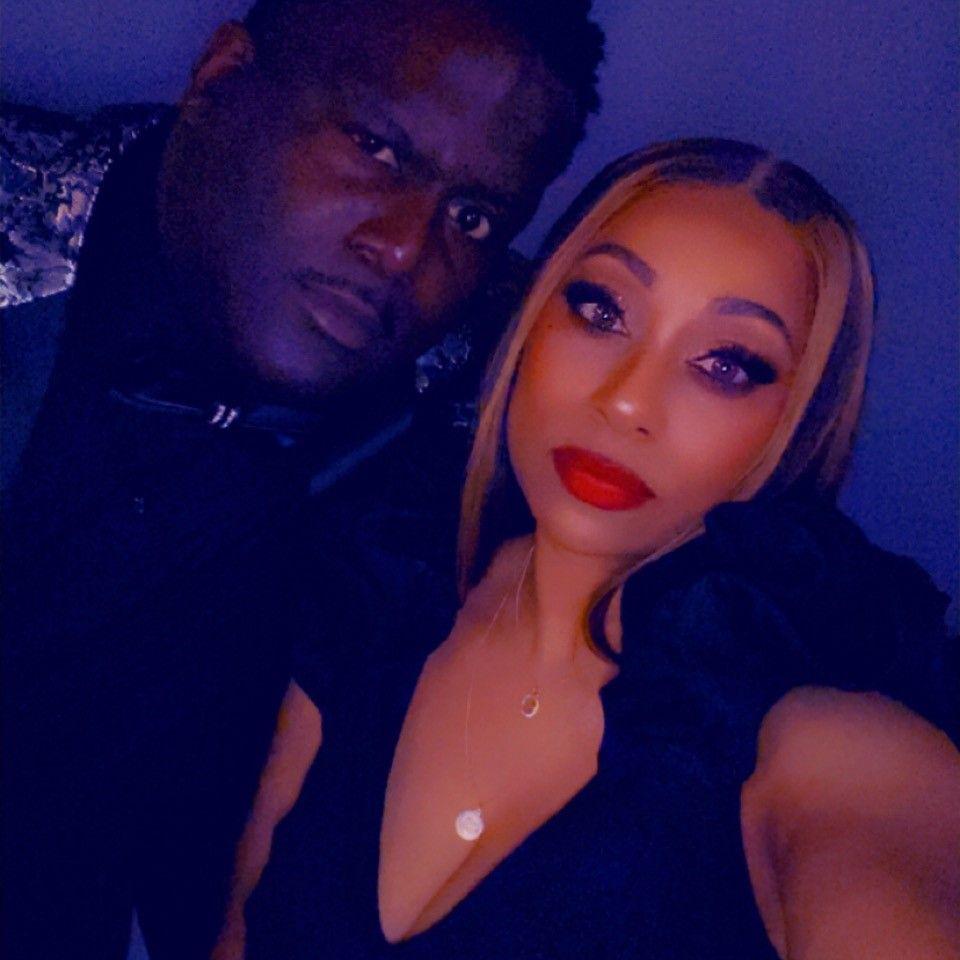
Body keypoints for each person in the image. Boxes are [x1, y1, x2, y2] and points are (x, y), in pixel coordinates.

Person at [238, 139, 960, 958]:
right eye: (602, 311)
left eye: (725, 365)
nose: (626, 403)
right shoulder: (381, 580)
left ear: (793, 426)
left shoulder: (815, 723)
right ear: (533, 318)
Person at [0, 2, 604, 958]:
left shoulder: (498, 402)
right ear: (220, 76)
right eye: (376, 148)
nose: (404, 248)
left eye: (474, 215)